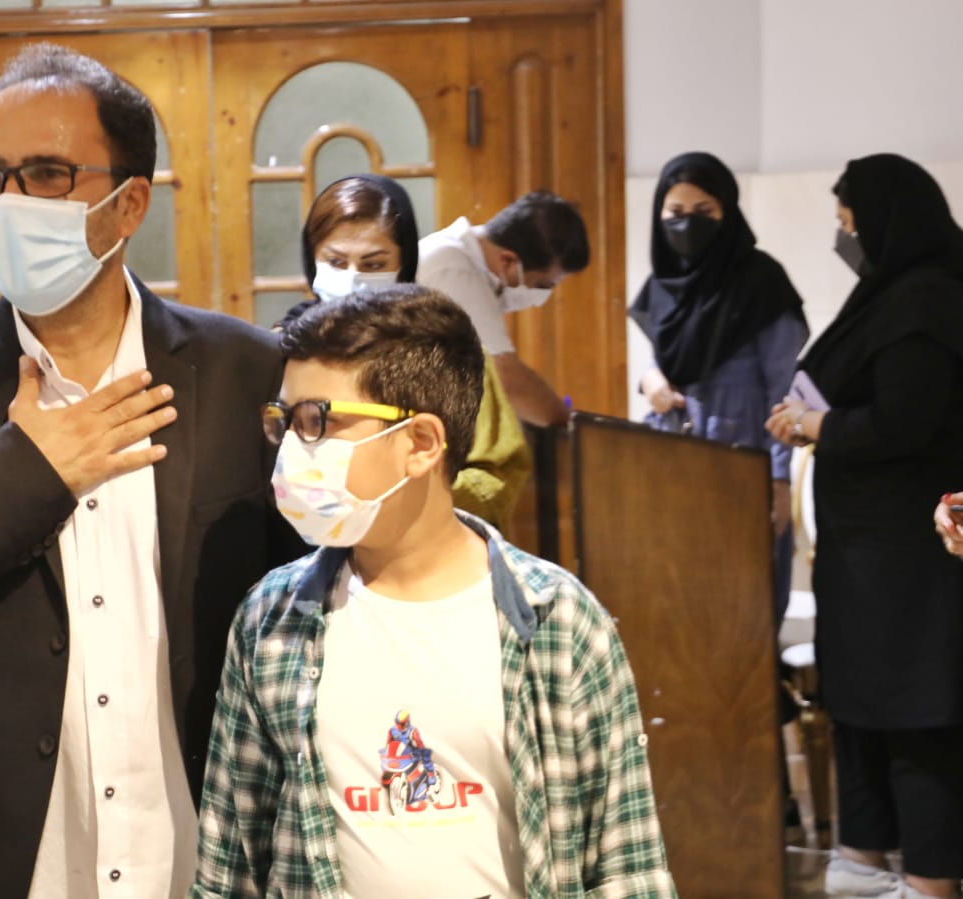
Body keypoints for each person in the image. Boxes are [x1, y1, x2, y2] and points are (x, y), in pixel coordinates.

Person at [0, 43, 302, 898]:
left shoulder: (247, 370)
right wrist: (25, 477)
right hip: (18, 851)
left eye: (46, 174)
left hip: (207, 836)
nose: (9, 201)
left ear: (129, 203)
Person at [192, 285, 676, 898]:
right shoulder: (272, 617)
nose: (292, 448)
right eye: (283, 422)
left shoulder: (559, 618)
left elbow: (627, 866)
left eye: (318, 422)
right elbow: (229, 864)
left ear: (421, 443)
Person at [766, 154, 963, 899]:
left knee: (916, 712)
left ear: (889, 221)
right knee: (857, 703)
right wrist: (805, 417)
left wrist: (815, 424)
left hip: (911, 552)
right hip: (862, 550)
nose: (844, 238)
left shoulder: (929, 301)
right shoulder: (885, 297)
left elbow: (906, 422)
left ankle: (929, 877)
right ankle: (863, 860)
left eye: (850, 224)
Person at [284, 173, 532, 532]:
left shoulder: (450, 353)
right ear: (312, 261)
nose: (353, 278)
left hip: (425, 547)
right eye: (336, 262)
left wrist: (398, 496)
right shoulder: (286, 352)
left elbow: (497, 475)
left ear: (405, 263)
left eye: (374, 265)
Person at [630, 151, 808, 626]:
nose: (688, 224)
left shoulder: (762, 281)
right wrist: (649, 380)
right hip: (672, 453)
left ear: (727, 211)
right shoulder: (663, 283)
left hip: (742, 456)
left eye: (704, 212)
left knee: (744, 597)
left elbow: (783, 392)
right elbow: (664, 361)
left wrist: (777, 481)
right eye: (676, 212)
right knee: (679, 589)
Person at [417, 190, 590, 426]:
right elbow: (506, 381)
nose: (541, 295)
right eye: (541, 284)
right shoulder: (454, 269)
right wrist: (571, 427)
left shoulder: (469, 264)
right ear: (508, 260)